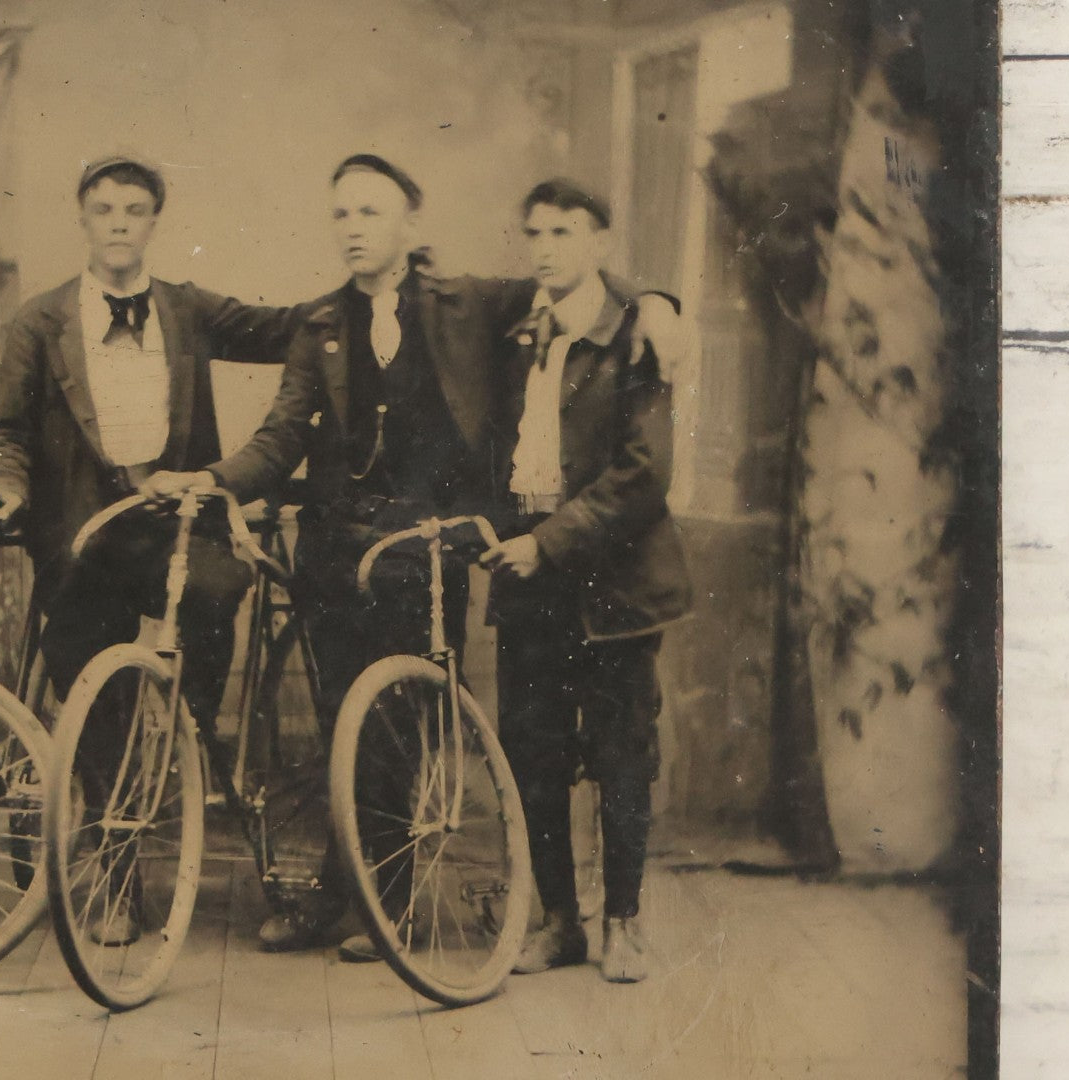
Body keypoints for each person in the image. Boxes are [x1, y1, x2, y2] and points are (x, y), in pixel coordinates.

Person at [151, 154, 533, 959]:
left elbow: (569, 286)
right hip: (333, 552)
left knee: (397, 726)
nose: (353, 229)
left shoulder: (466, 303)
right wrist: (214, 480)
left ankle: (386, 903)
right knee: (337, 726)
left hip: (421, 548)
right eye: (342, 214)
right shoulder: (322, 324)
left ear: (410, 224)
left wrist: (657, 304)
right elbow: (282, 433)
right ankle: (341, 895)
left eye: (369, 212)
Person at [0, 155, 304, 945]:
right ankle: (119, 873)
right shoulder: (40, 321)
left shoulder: (186, 309)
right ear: (83, 221)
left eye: (133, 210)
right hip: (83, 538)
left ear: (153, 222)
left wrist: (364, 298)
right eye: (104, 210)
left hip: (176, 529)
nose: (119, 223)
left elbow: (287, 327)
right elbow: (3, 431)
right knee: (90, 686)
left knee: (217, 593)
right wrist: (8, 487)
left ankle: (185, 735)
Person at [480, 178, 692, 983]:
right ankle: (560, 922)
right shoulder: (516, 331)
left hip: (615, 583)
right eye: (533, 233)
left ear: (600, 243)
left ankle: (623, 923)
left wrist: (548, 542)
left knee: (621, 753)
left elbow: (645, 473)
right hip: (531, 581)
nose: (544, 248)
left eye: (563, 233)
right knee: (533, 752)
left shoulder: (635, 334)